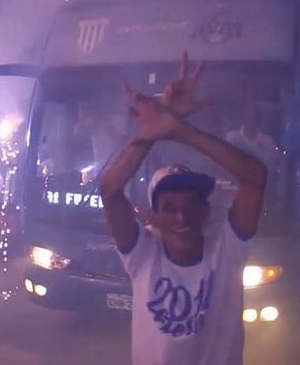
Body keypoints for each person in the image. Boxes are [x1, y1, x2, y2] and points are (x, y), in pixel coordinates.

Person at [99, 53, 267, 365]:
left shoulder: (226, 250)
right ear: (150, 218)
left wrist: (180, 131)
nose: (181, 216)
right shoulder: (143, 255)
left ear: (206, 210)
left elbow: (255, 177)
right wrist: (152, 132)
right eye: (168, 207)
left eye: (191, 205)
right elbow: (109, 190)